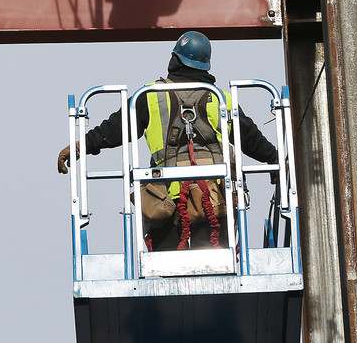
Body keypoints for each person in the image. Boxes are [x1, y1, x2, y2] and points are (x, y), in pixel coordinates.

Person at [57, 31, 280, 251]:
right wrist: (276, 160)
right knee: (212, 269)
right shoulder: (221, 100)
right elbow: (251, 138)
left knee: (167, 272)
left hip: (165, 201)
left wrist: (79, 147)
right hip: (213, 198)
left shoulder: (150, 96)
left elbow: (114, 129)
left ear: (175, 60)